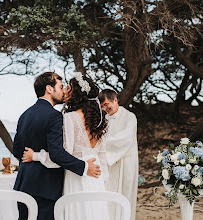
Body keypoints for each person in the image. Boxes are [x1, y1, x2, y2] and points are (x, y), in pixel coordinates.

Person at [13, 72, 102, 220]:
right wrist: (84, 167)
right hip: (46, 187)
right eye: (61, 87)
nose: (64, 92)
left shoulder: (25, 114)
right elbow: (58, 153)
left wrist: (33, 157)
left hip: (24, 184)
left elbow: (17, 150)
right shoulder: (54, 116)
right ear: (49, 89)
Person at [98, 89, 138, 220]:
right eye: (102, 106)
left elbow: (125, 138)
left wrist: (102, 145)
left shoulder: (130, 116)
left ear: (115, 100)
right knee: (108, 193)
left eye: (107, 104)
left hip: (125, 161)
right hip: (108, 161)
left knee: (124, 193)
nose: (105, 108)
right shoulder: (103, 119)